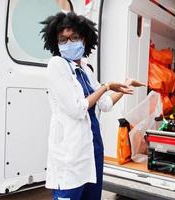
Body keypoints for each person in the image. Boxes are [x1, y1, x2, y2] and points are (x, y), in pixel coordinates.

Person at [41, 12, 145, 200]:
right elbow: (77, 109)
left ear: (85, 39)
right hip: (70, 155)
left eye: (74, 38)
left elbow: (104, 104)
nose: (68, 43)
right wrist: (106, 86)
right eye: (63, 40)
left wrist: (125, 85)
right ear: (55, 42)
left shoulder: (85, 70)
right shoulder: (57, 65)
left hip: (92, 150)